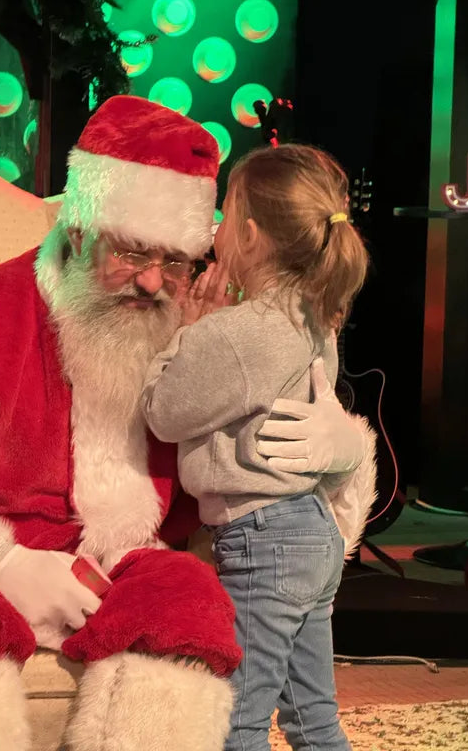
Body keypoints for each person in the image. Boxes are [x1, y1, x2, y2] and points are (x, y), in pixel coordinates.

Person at [0, 96, 370, 751]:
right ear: (79, 230)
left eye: (178, 260)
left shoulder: (201, 328)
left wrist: (344, 450)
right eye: (132, 254)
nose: (156, 282)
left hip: (124, 563)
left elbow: (237, 469)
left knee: (187, 597)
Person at [141, 143, 376, 750]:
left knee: (236, 720)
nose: (214, 227)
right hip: (312, 534)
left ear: (247, 234)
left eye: (224, 211)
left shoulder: (234, 334)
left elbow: (162, 413)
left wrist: (185, 333)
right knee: (313, 718)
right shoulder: (313, 316)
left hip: (264, 540)